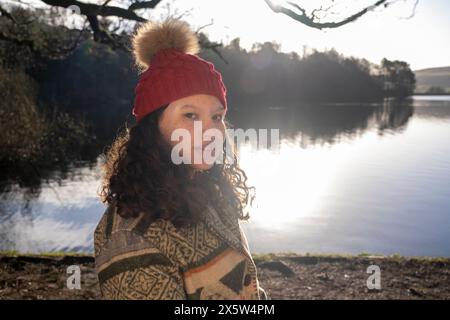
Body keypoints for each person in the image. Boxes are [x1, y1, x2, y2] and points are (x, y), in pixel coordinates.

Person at [94, 18, 268, 300]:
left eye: (217, 116)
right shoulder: (131, 237)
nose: (210, 131)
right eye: (190, 115)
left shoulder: (211, 190)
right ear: (153, 126)